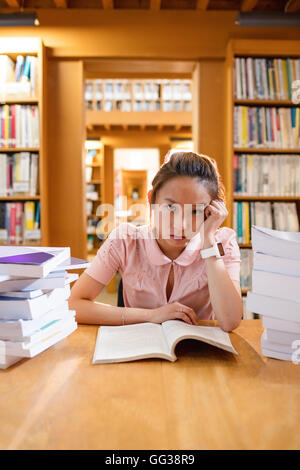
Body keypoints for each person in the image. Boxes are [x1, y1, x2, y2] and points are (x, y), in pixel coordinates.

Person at [69, 151, 243, 332]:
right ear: (151, 199)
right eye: (170, 207)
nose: (180, 225)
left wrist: (208, 241)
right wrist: (151, 316)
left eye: (196, 211)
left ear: (212, 211)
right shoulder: (125, 240)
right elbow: (74, 304)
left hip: (198, 357)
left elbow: (230, 322)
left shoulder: (222, 242)